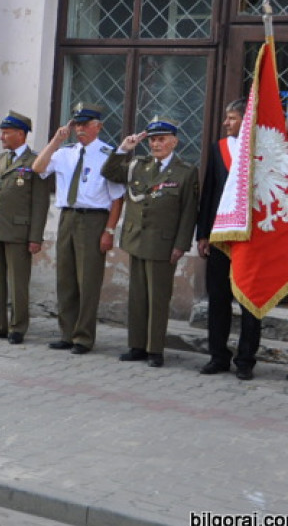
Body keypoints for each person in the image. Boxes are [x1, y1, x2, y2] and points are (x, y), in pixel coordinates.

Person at [102, 117, 199, 368]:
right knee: (137, 297)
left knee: (158, 299)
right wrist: (124, 148)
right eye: (153, 140)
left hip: (163, 244)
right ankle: (137, 346)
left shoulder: (185, 172)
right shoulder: (137, 165)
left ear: (174, 142)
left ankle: (155, 349)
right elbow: (109, 172)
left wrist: (181, 245)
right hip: (137, 240)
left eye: (162, 139)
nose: (156, 144)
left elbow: (189, 212)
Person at [32, 102, 124, 355]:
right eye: (77, 125)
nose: (80, 129)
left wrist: (109, 231)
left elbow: (117, 198)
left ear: (98, 126)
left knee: (88, 280)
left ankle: (83, 337)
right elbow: (38, 168)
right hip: (68, 218)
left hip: (94, 219)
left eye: (85, 125)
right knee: (66, 279)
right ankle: (67, 333)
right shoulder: (64, 152)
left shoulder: (108, 154)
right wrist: (55, 141)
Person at [196, 100, 261, 379]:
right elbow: (209, 192)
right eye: (226, 118)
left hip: (252, 240)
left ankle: (246, 360)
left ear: (246, 121)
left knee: (250, 301)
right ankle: (218, 355)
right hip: (220, 237)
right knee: (218, 299)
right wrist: (203, 234)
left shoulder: (265, 152)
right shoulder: (218, 148)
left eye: (232, 118)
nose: (226, 123)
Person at [0, 110, 51, 344]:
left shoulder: (34, 162)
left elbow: (40, 203)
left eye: (6, 133)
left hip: (19, 232)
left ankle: (18, 327)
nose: (2, 137)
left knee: (18, 283)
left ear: (20, 134)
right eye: (2, 132)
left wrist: (35, 237)